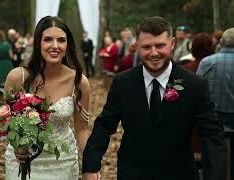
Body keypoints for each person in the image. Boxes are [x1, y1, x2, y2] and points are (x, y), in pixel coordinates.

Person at [82, 16, 226, 180]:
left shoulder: (195, 85)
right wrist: (90, 165)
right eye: (146, 47)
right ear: (136, 46)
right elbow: (104, 125)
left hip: (179, 174)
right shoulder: (123, 83)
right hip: (133, 173)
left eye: (160, 46)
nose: (154, 53)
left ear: (172, 44)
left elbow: (212, 136)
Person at [4, 16, 90, 180]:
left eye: (61, 40)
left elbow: (82, 130)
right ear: (38, 43)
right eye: (48, 39)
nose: (55, 46)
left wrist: (90, 164)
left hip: (62, 161)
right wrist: (16, 145)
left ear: (68, 45)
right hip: (23, 161)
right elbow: (7, 119)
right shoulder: (17, 77)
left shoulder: (79, 82)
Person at [197, 27, 234, 177]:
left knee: (215, 166)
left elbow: (197, 92)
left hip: (215, 125)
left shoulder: (207, 62)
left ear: (221, 42)